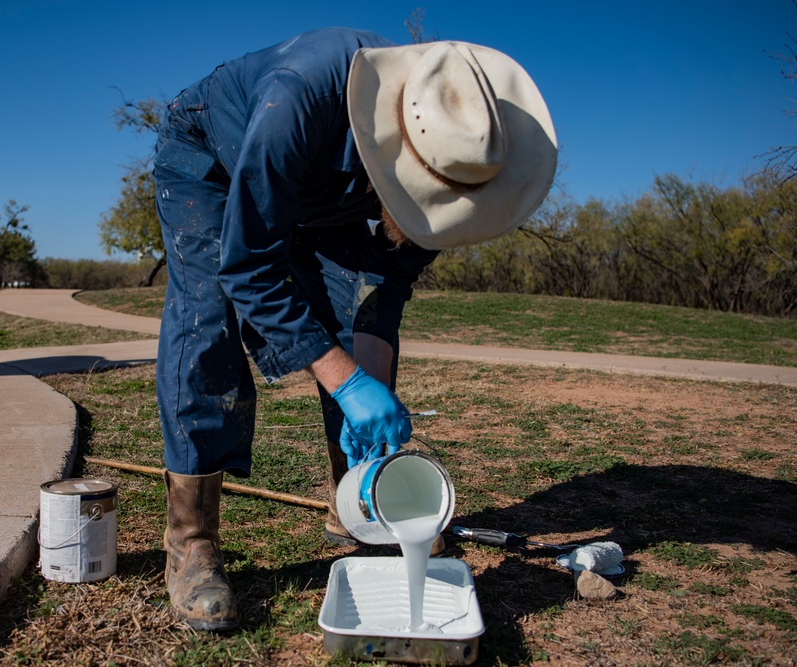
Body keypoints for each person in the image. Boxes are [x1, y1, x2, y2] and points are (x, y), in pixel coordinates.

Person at [153, 26, 557, 631]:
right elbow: (248, 266)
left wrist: (369, 383)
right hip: (213, 159)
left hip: (329, 191)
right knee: (206, 323)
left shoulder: (462, 151)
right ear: (397, 154)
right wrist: (346, 383)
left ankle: (360, 502)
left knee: (343, 329)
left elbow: (381, 291)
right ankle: (191, 543)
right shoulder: (297, 100)